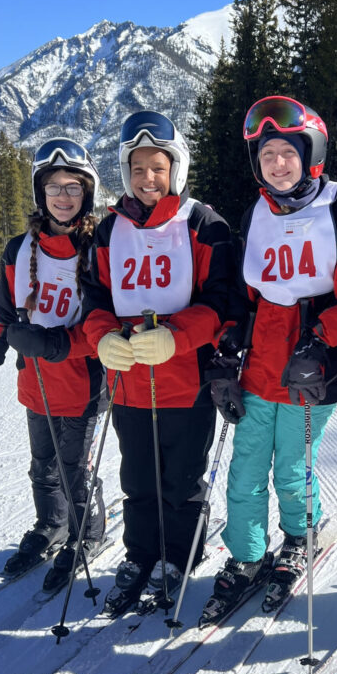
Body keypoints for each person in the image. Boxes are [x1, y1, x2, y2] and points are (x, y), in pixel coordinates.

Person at [200, 95, 337, 623]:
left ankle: (299, 536)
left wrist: (321, 344)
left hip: (310, 369)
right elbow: (240, 297)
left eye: (287, 152)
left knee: (293, 472)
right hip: (258, 369)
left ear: (311, 152)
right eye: (267, 154)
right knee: (245, 471)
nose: (277, 164)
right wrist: (225, 355)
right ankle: (249, 556)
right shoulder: (256, 212)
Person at [80, 110, 233, 615]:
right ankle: (141, 552)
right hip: (127, 381)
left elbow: (223, 300)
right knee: (138, 477)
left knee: (181, 479)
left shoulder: (203, 223)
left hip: (184, 380)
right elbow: (94, 298)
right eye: (139, 168)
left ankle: (178, 556)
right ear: (126, 172)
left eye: (159, 168)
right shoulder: (108, 231)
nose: (149, 179)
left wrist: (177, 337)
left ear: (176, 169)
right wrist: (102, 337)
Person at [0, 137, 108, 593]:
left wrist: (53, 343)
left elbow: (109, 326)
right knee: (42, 463)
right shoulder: (18, 249)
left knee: (73, 467)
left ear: (87, 193)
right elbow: (3, 314)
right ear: (40, 194)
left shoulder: (99, 249)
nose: (63, 196)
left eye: (73, 187)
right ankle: (52, 524)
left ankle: (88, 530)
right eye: (53, 187)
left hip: (82, 383)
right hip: (36, 384)